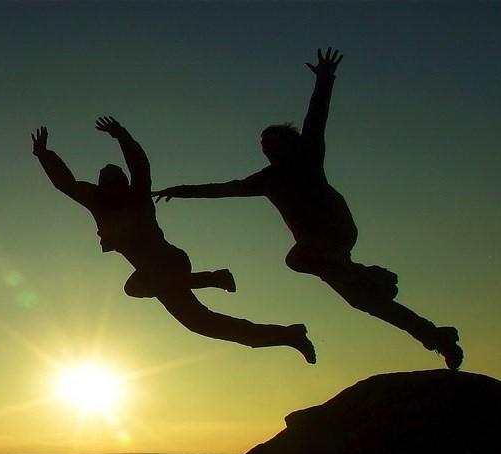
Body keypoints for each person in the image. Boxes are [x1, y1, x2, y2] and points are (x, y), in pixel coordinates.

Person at [152, 49, 463, 369]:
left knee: (297, 258)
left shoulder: (307, 157)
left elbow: (316, 119)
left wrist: (325, 79)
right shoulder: (266, 180)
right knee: (367, 302)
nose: (267, 149)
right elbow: (223, 190)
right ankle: (438, 338)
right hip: (322, 254)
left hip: (335, 231)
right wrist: (181, 191)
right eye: (263, 145)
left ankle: (373, 275)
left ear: (289, 144)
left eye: (272, 143)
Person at [32, 116, 316, 362]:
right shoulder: (97, 203)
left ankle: (215, 278)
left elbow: (140, 165)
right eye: (109, 184)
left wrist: (121, 135)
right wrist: (44, 155)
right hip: (154, 273)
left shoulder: (137, 196)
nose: (114, 188)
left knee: (135, 287)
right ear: (101, 188)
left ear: (124, 184)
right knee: (205, 325)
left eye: (118, 181)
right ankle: (289, 335)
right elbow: (65, 183)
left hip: (169, 261)